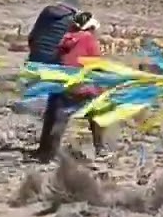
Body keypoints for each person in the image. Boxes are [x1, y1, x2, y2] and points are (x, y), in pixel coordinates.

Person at [34, 12, 109, 162]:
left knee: (59, 119)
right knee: (97, 112)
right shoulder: (88, 39)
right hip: (82, 86)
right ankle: (100, 149)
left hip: (64, 84)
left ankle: (48, 154)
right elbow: (96, 64)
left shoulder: (65, 39)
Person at [27, 0, 81, 65]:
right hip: (54, 59)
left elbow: (32, 36)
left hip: (35, 55)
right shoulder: (71, 20)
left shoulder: (46, 12)